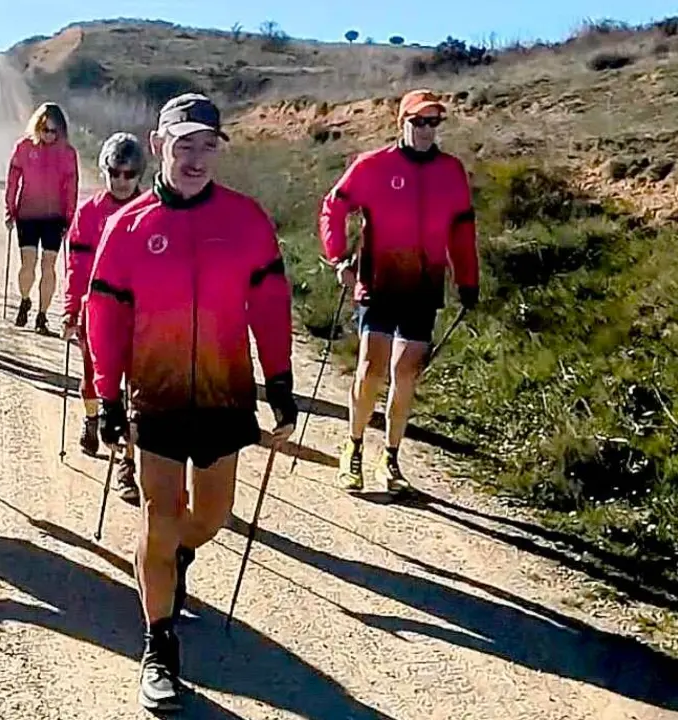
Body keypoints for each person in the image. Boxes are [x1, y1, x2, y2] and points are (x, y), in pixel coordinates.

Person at [85, 93, 299, 712]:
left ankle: (175, 557)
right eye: (184, 145)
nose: (196, 158)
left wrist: (280, 381)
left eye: (208, 145)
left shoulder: (246, 220)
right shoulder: (129, 227)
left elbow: (270, 305)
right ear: (159, 146)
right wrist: (107, 396)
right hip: (155, 395)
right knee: (160, 517)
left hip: (224, 392)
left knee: (210, 517)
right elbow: (105, 317)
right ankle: (160, 647)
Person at [318, 89, 479, 494]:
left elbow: (462, 230)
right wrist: (338, 258)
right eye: (418, 121)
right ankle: (353, 447)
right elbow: (334, 207)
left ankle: (390, 458)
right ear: (401, 122)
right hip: (379, 279)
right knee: (371, 368)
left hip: (424, 285)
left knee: (406, 373)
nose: (425, 129)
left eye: (433, 122)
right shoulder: (373, 165)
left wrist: (468, 280)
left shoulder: (451, 171)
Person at [62, 132, 145, 504]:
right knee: (93, 380)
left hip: (141, 316)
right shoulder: (89, 212)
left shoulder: (152, 209)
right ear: (104, 171)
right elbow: (76, 266)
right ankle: (91, 417)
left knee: (136, 393)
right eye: (115, 173)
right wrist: (70, 309)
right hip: (95, 312)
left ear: (139, 174)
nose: (122, 181)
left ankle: (127, 463)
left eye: (129, 174)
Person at [5, 102, 79, 334]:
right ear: (37, 127)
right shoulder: (24, 147)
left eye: (54, 131)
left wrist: (70, 218)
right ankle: (25, 299)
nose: (49, 135)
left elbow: (72, 187)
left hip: (54, 217)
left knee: (49, 266)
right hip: (27, 213)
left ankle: (42, 315)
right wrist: (10, 209)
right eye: (45, 130)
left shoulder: (67, 153)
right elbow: (12, 180)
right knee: (28, 264)